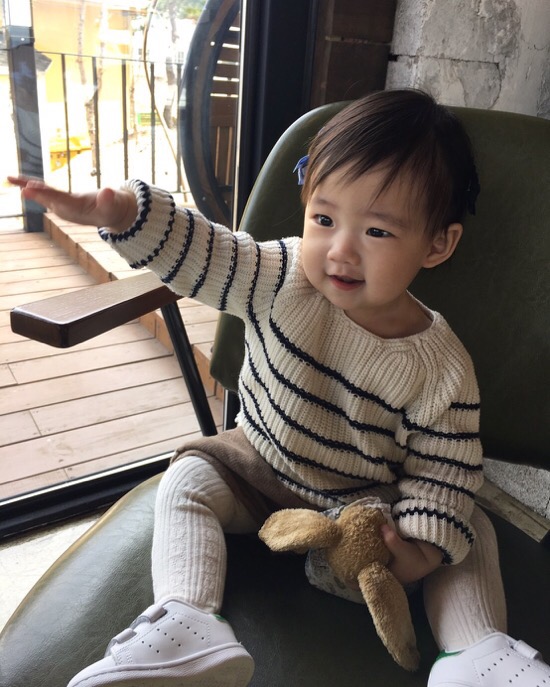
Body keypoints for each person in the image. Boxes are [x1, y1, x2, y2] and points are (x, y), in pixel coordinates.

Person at [10, 89, 550, 687]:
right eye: (324, 219)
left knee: (469, 529)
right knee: (187, 478)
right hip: (259, 468)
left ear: (437, 244)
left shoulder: (441, 366)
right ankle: (188, 623)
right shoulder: (281, 276)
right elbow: (208, 252)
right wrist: (124, 215)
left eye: (376, 230)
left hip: (369, 510)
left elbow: (444, 470)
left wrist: (419, 546)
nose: (340, 251)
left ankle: (478, 656)